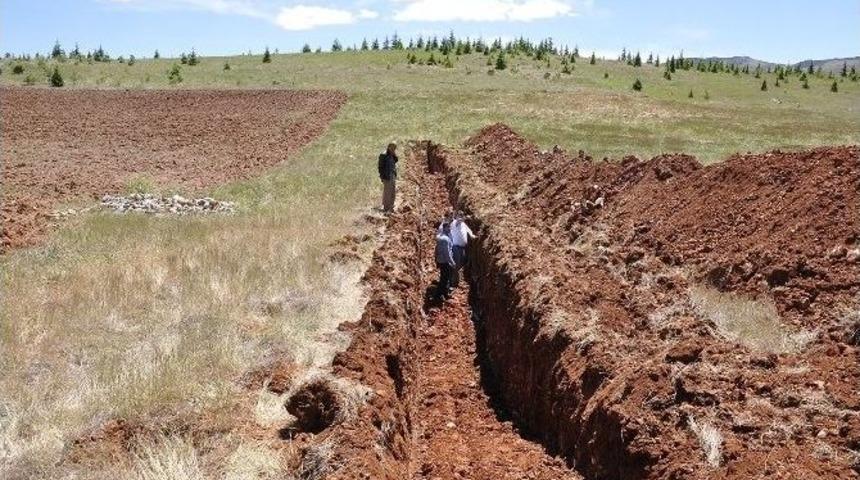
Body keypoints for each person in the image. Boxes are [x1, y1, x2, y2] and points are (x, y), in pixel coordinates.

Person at [449, 211, 476, 288]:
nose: (460, 217)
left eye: (462, 215)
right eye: (459, 216)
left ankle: (454, 280)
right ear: (456, 217)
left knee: (462, 262)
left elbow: (468, 230)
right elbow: (459, 221)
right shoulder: (454, 223)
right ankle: (453, 283)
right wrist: (466, 217)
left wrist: (472, 235)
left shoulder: (463, 224)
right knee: (456, 264)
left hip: (462, 248)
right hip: (455, 247)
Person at [435, 222, 456, 299]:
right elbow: (447, 253)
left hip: (441, 261)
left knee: (444, 278)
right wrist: (452, 262)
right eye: (449, 227)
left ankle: (443, 293)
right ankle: (439, 295)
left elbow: (436, 250)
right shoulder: (445, 239)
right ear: (445, 228)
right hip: (445, 262)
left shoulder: (442, 237)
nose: (450, 229)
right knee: (445, 279)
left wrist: (436, 260)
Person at [378, 143, 398, 213]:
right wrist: (382, 176)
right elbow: (380, 167)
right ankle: (386, 208)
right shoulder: (383, 155)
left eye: (395, 148)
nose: (394, 149)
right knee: (387, 192)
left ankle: (391, 206)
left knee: (393, 191)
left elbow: (396, 160)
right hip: (387, 176)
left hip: (392, 175)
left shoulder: (391, 155)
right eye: (392, 148)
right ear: (389, 147)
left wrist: (393, 154)